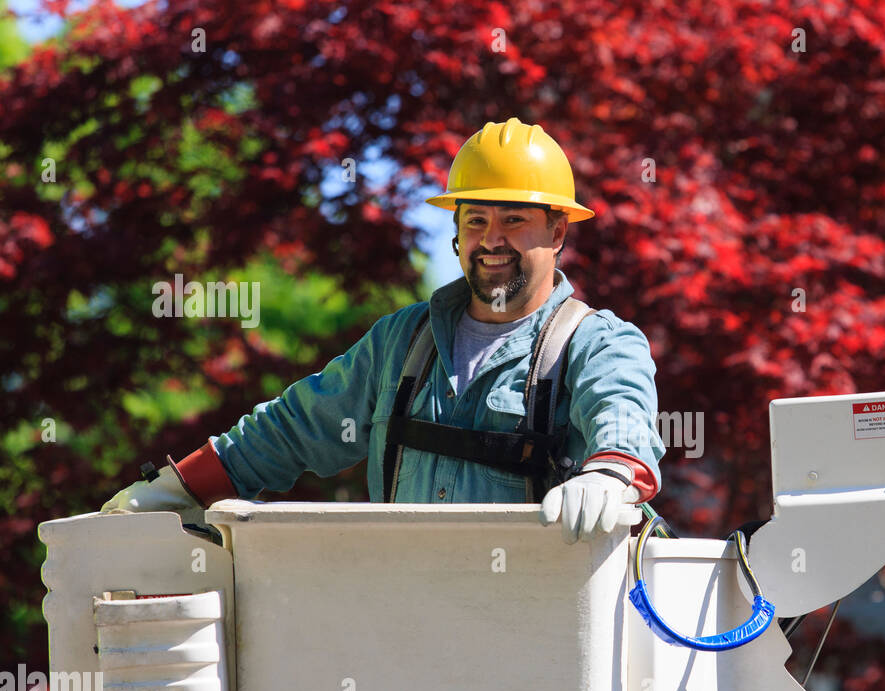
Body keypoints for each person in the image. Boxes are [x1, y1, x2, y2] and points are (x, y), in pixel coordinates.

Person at [101, 118, 666, 543]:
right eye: (476, 220)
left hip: (536, 632)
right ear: (456, 231)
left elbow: (622, 414)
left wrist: (611, 473)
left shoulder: (597, 344)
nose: (492, 239)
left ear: (558, 232)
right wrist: (176, 489)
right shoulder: (402, 342)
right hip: (403, 624)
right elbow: (292, 429)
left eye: (514, 219)